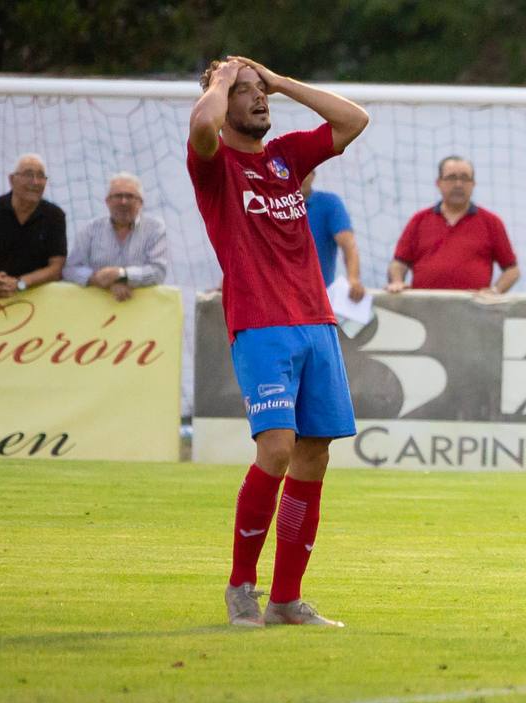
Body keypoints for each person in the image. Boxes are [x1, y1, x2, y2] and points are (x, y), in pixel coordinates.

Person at [187, 55, 370, 628]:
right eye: (245, 93)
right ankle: (242, 586)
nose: (258, 99)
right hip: (261, 325)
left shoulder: (286, 157)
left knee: (314, 454)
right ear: (222, 100)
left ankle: (286, 599)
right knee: (277, 448)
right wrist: (220, 81)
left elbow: (353, 121)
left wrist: (279, 80)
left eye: (259, 91)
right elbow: (200, 127)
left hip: (316, 323)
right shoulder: (214, 166)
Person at [386, 156, 518, 295]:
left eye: (465, 178)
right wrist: (397, 281)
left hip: (474, 312)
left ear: (473, 183)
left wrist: (495, 291)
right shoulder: (419, 220)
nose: (458, 184)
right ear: (438, 183)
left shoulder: (491, 222)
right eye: (451, 178)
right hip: (424, 310)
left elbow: (512, 270)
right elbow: (399, 263)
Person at [0, 154, 67, 298]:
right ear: (12, 179)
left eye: (41, 176)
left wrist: (19, 284)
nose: (35, 181)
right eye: (28, 174)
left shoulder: (55, 216)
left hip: (33, 304)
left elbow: (56, 268)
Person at [64, 173, 173, 303]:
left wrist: (122, 274)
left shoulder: (155, 229)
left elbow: (158, 272)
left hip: (143, 312)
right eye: (118, 196)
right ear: (107, 201)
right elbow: (70, 269)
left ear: (140, 202)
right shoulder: (90, 229)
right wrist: (98, 280)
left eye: (130, 196)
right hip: (97, 313)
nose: (123, 202)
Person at [301, 173, 365, 302]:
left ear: (313, 175)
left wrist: (353, 279)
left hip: (319, 301)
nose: (299, 175)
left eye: (304, 171)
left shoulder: (329, 204)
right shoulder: (265, 205)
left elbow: (349, 246)